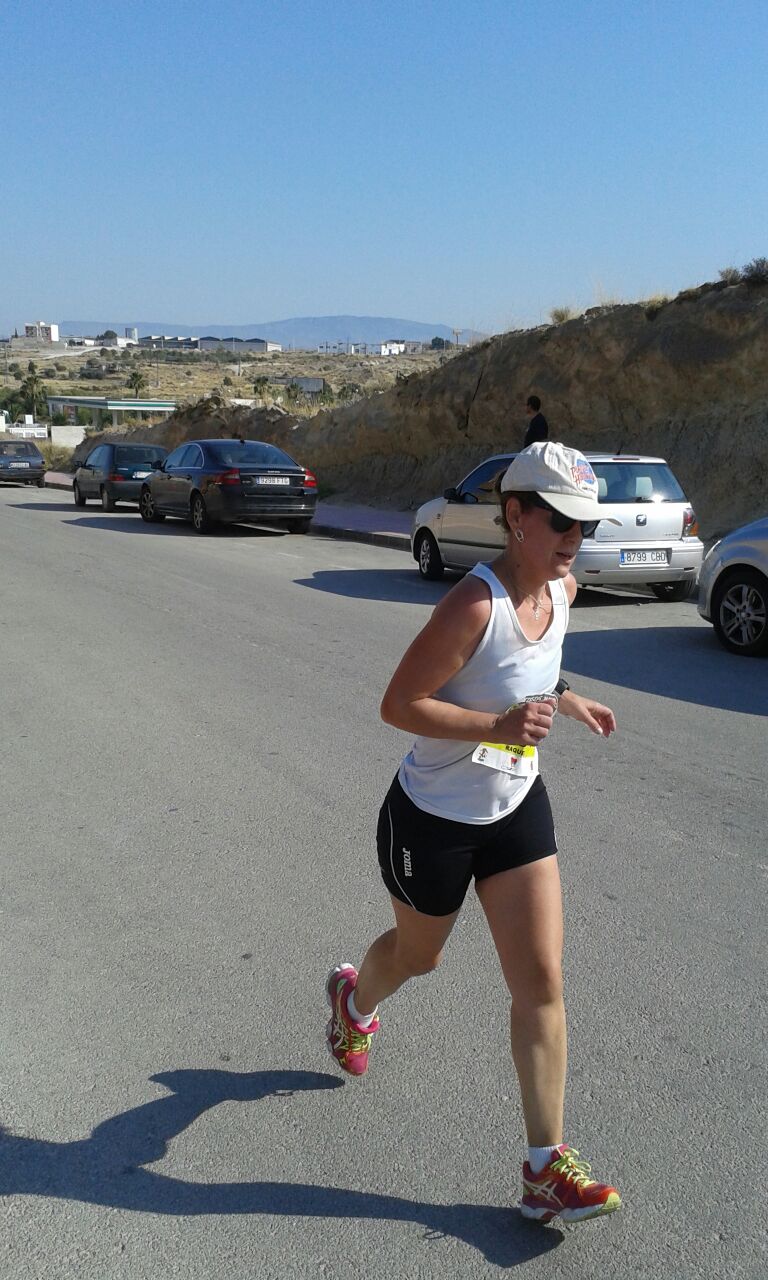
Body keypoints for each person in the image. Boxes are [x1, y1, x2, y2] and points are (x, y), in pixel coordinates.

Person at [326, 441, 623, 1226]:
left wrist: (566, 698)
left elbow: (534, 670)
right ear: (515, 515)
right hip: (433, 818)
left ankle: (544, 1169)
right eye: (560, 522)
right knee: (417, 958)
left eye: (585, 525)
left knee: (542, 981)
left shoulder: (562, 589)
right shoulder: (473, 605)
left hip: (515, 808)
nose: (574, 539)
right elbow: (399, 704)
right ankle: (353, 1002)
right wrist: (497, 725)